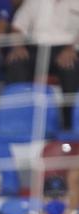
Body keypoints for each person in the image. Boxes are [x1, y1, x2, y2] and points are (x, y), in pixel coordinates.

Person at [6, 0, 79, 131]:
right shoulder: (33, 2)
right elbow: (18, 27)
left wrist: (71, 49)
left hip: (67, 48)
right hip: (36, 48)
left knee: (70, 66)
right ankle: (19, 121)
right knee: (16, 62)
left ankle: (69, 124)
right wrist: (18, 46)